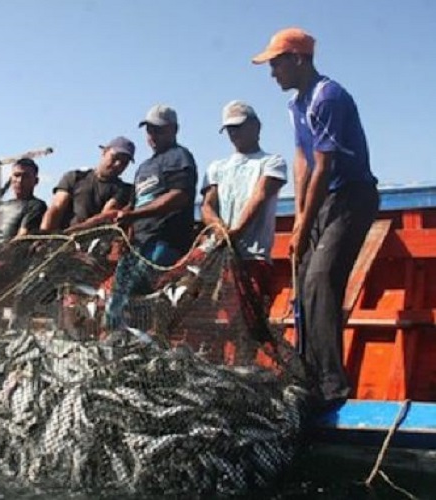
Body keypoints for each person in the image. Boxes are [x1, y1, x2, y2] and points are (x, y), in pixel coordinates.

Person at [252, 28, 379, 409]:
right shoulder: (296, 106)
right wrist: (300, 218)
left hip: (352, 197)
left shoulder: (329, 97)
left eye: (277, 63)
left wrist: (304, 226)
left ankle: (331, 387)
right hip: (323, 201)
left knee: (322, 278)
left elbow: (325, 166)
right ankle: (307, 375)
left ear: (299, 59)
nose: (272, 72)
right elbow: (303, 162)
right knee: (304, 280)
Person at [106, 104, 198, 329]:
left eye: (158, 130)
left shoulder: (179, 157)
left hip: (164, 242)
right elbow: (135, 203)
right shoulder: (144, 167)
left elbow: (179, 197)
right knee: (116, 299)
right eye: (149, 130)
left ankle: (140, 346)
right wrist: (126, 233)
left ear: (174, 129)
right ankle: (114, 345)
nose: (152, 135)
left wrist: (136, 214)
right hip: (137, 244)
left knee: (136, 295)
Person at [200, 100, 287, 303]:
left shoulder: (272, 162)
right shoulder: (216, 167)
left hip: (252, 257)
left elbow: (261, 195)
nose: (234, 133)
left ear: (256, 126)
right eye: (229, 128)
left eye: (238, 126)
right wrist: (218, 228)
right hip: (217, 256)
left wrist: (235, 231)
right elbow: (207, 205)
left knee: (251, 319)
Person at [40, 136, 134, 234]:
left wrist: (72, 232)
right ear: (104, 152)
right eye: (115, 157)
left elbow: (104, 218)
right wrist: (44, 235)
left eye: (124, 162)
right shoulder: (74, 177)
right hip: (62, 239)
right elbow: (56, 207)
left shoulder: (124, 190)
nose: (118, 164)